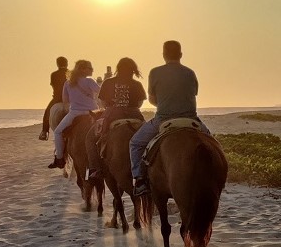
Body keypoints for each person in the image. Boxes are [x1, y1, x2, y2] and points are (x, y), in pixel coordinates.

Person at [129, 40, 203, 196]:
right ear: (181, 55)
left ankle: (140, 179)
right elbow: (193, 93)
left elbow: (152, 99)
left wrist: (163, 103)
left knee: (135, 143)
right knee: (213, 143)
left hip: (163, 119)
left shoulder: (155, 72)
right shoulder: (190, 72)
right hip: (191, 119)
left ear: (164, 55)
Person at [85, 57, 147, 181]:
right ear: (133, 70)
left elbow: (102, 102)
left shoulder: (108, 82)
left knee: (90, 138)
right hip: (134, 115)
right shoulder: (137, 84)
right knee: (149, 137)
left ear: (118, 68)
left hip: (112, 114)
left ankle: (95, 169)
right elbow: (140, 104)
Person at [49, 60, 100, 168]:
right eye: (89, 68)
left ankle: (59, 158)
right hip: (93, 112)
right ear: (82, 69)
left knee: (58, 132)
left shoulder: (68, 83)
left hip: (75, 113)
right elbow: (101, 93)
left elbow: (65, 100)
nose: (92, 70)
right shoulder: (90, 81)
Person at [39, 57, 68, 141]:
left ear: (57, 64)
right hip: (70, 98)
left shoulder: (54, 74)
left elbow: (53, 85)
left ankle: (44, 132)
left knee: (47, 112)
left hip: (57, 98)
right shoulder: (71, 73)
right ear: (67, 63)